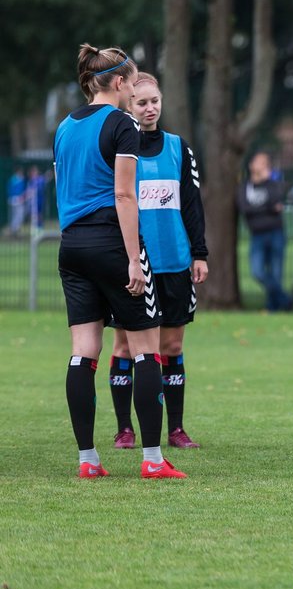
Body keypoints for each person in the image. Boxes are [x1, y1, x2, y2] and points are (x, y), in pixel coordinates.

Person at [53, 44, 184, 479]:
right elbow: (125, 195)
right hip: (112, 242)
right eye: (132, 82)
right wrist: (133, 259)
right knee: (147, 350)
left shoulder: (65, 127)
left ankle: (88, 461)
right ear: (119, 82)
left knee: (83, 353)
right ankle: (152, 459)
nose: (135, 91)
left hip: (71, 246)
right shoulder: (123, 124)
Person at [105, 73, 208, 450]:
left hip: (175, 263)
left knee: (173, 347)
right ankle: (124, 429)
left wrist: (200, 253)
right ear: (128, 105)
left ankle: (176, 429)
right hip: (133, 265)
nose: (149, 108)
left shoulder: (179, 149)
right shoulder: (118, 150)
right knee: (123, 347)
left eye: (154, 101)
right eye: (141, 102)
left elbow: (192, 205)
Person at [238, 151, 293, 312]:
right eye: (259, 162)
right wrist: (268, 208)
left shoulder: (272, 184)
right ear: (251, 165)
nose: (263, 166)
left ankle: (273, 307)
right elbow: (245, 208)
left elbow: (277, 202)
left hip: (276, 233)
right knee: (257, 272)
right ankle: (286, 299)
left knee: (276, 273)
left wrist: (267, 183)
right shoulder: (245, 187)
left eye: (265, 163)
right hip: (257, 235)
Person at [6, 167, 24, 237]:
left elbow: (9, 189)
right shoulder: (19, 180)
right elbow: (19, 190)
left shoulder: (12, 179)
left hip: (11, 199)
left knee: (14, 215)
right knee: (18, 215)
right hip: (17, 199)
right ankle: (15, 229)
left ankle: (14, 229)